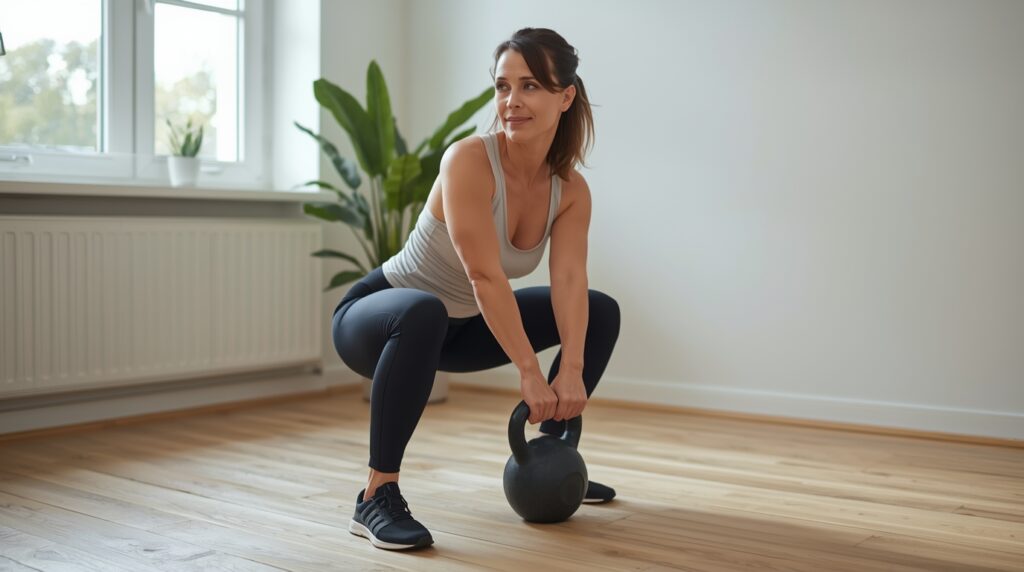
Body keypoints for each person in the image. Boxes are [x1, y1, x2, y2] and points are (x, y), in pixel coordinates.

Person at [332, 27, 621, 551]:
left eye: (530, 86)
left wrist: (572, 369)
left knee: (598, 309)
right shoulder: (468, 160)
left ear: (565, 96)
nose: (512, 101)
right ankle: (376, 494)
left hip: (461, 329)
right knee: (424, 310)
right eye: (503, 86)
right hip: (379, 319)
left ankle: (551, 461)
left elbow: (569, 280)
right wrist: (530, 373)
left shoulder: (570, 190)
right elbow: (484, 276)